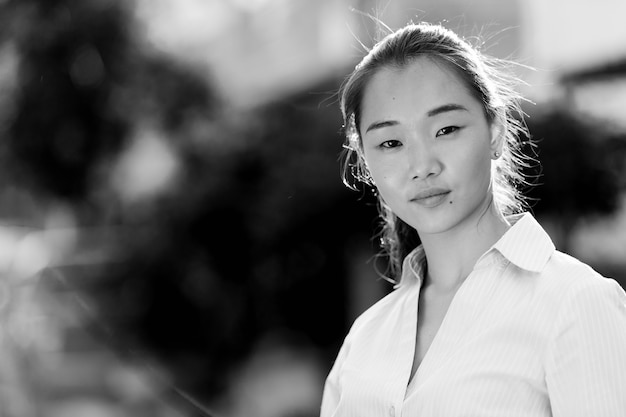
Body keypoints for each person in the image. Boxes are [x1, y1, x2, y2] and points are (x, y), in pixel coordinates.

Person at [321, 22, 626, 416]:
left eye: (446, 129)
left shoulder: (576, 303)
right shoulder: (364, 339)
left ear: (495, 131)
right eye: (391, 142)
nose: (422, 166)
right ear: (365, 160)